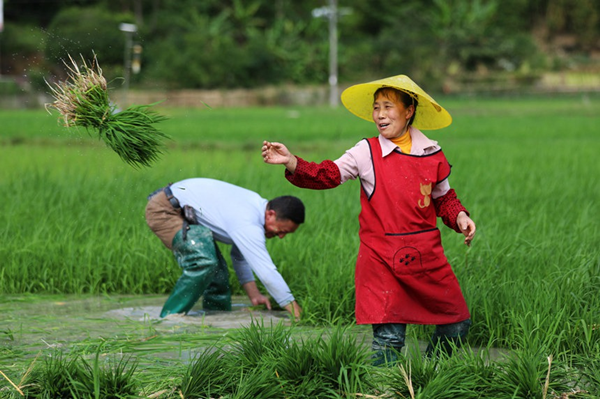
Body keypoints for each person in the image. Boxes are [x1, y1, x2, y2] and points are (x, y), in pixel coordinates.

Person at [261, 74, 476, 364]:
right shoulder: (367, 152)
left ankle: (432, 375)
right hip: (381, 259)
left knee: (456, 322)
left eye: (388, 106)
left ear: (408, 110)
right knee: (389, 339)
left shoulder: (431, 152)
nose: (380, 115)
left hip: (426, 256)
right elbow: (328, 174)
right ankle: (382, 388)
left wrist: (460, 216)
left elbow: (443, 198)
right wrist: (291, 161)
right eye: (376, 107)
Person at [145, 177, 304, 320]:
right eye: (282, 231)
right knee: (204, 262)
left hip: (184, 211)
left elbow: (239, 256)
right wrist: (296, 312)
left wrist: (254, 295)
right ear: (271, 214)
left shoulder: (255, 209)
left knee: (218, 272)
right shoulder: (248, 221)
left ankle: (215, 319)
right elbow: (267, 273)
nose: (281, 237)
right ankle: (168, 319)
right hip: (165, 210)